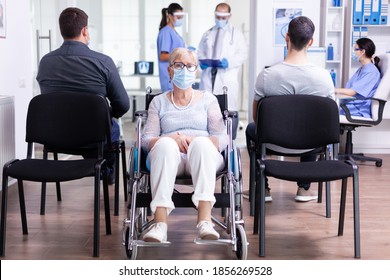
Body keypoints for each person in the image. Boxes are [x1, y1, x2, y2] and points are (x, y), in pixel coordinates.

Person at [141, 48, 228, 242]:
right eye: (179, 65)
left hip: (204, 157)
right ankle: (159, 224)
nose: (184, 70)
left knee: (202, 145)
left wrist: (200, 141)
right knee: (164, 145)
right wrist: (171, 139)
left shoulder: (208, 99)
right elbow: (146, 140)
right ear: (170, 71)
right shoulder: (158, 102)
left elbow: (222, 137)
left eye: (190, 66)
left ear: (196, 71)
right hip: (170, 158)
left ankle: (205, 221)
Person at [245, 16, 335, 202]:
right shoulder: (324, 77)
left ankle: (263, 187)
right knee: (312, 126)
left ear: (287, 37)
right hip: (311, 144)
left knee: (250, 129)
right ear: (311, 41)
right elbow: (328, 120)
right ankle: (303, 188)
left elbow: (257, 118)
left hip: (273, 142)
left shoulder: (267, 75)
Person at [36, 7, 130, 184]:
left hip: (55, 136)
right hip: (95, 139)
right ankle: (107, 172)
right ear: (85, 30)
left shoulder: (45, 62)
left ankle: (100, 168)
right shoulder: (103, 62)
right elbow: (123, 105)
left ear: (62, 30)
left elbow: (50, 101)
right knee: (112, 128)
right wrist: (105, 113)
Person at [198, 2, 248, 139]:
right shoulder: (207, 33)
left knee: (229, 109)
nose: (220, 20)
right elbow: (200, 52)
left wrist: (229, 62)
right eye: (217, 17)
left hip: (226, 77)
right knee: (208, 110)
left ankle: (230, 140)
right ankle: (210, 139)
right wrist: (201, 62)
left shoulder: (236, 35)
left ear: (229, 16)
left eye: (223, 17)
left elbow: (243, 54)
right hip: (209, 75)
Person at [336, 38, 381, 118]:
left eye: (355, 50)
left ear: (362, 52)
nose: (353, 53)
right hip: (350, 106)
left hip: (357, 109)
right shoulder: (362, 69)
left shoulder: (371, 71)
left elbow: (352, 92)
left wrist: (333, 89)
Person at [157, 3, 186, 93]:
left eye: (181, 17)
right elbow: (163, 56)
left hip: (177, 75)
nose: (180, 19)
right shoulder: (166, 32)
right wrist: (181, 55)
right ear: (170, 16)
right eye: (178, 17)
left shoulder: (173, 32)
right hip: (169, 77)